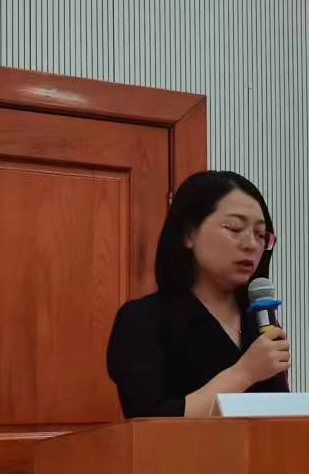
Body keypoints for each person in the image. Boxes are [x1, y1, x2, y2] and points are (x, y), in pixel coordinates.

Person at [107, 171, 291, 418]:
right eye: (235, 228)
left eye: (260, 234)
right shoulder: (142, 319)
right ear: (189, 233)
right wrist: (244, 374)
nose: (251, 244)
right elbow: (148, 423)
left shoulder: (259, 321)